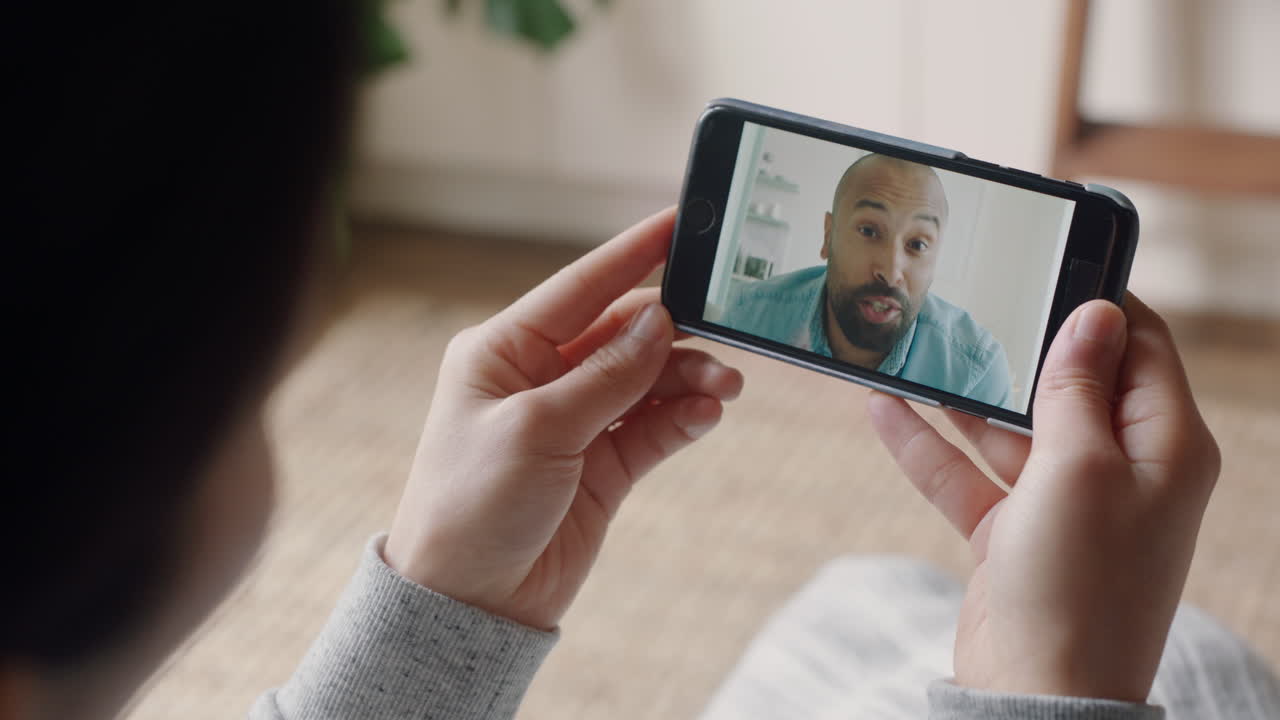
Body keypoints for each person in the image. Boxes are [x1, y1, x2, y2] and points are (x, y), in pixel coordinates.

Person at [7, 4, 1278, 720]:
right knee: (1200, 675)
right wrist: (1054, 692)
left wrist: (436, 603)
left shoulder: (965, 347)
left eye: (919, 242)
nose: (892, 262)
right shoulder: (773, 300)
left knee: (859, 596)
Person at [720, 153, 1014, 408]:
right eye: (869, 232)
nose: (891, 271)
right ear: (828, 235)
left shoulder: (975, 376)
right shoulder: (750, 314)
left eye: (918, 245)